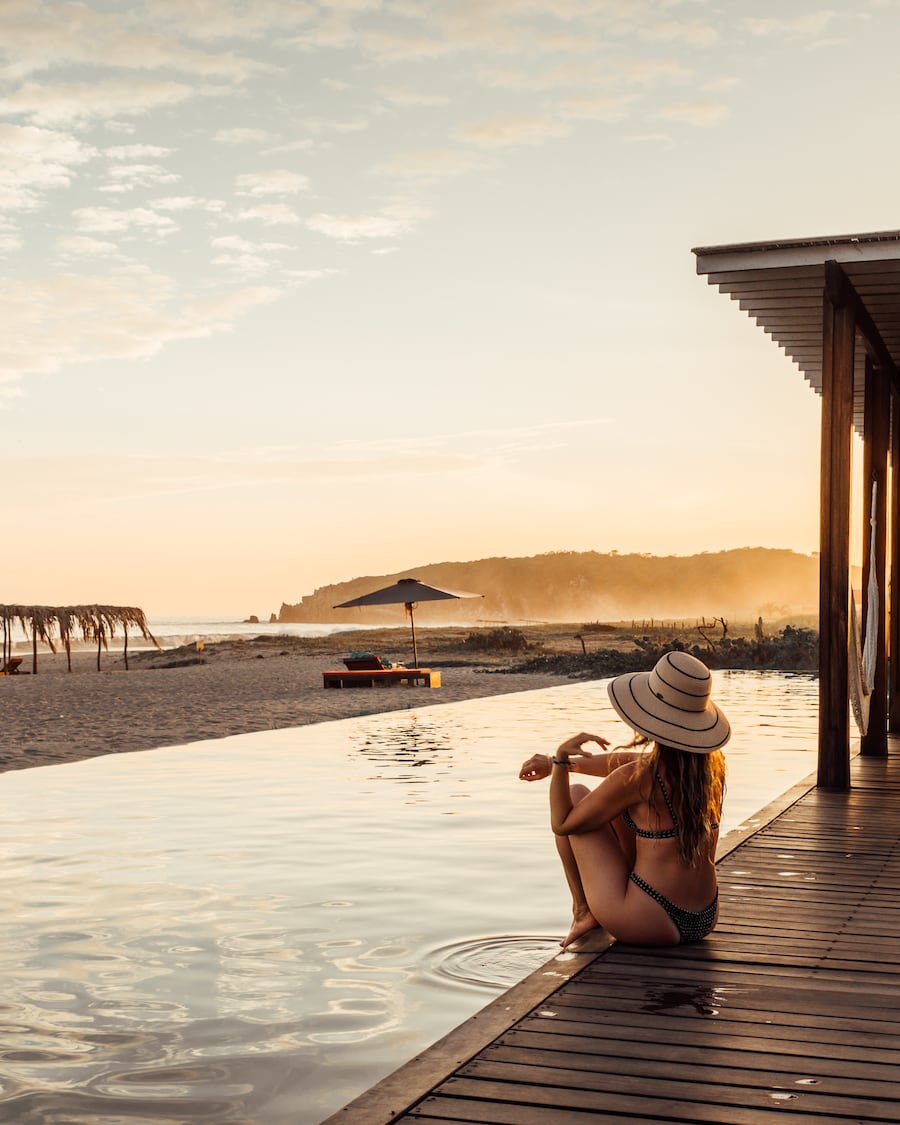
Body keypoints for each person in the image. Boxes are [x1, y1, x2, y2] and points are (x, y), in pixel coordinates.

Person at [519, 650, 729, 949]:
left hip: (649, 918)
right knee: (620, 808)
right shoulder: (713, 769)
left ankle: (582, 912)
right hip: (704, 916)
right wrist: (553, 763)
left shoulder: (638, 778)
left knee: (576, 796)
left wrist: (563, 760)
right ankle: (590, 911)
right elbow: (624, 762)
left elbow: (562, 824)